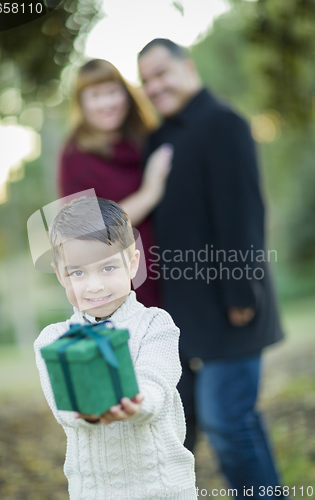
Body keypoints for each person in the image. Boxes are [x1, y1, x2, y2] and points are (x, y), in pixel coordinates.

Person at [138, 39, 285, 499]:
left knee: (225, 422)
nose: (154, 86)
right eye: (145, 80)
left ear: (188, 66)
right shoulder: (161, 140)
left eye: (161, 73)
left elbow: (243, 214)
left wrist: (241, 294)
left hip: (233, 303)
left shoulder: (224, 123)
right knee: (235, 420)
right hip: (189, 312)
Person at [34, 196, 196, 500]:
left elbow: (155, 384)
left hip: (162, 486)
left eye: (108, 268)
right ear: (60, 275)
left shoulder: (155, 324)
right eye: (78, 273)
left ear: (132, 263)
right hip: (95, 491)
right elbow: (64, 408)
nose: (94, 285)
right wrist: (88, 409)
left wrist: (136, 402)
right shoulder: (52, 340)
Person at [58, 58, 173, 308]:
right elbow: (87, 232)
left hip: (173, 274)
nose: (107, 103)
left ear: (126, 94)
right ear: (82, 103)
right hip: (123, 284)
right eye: (96, 95)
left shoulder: (146, 139)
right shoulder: (75, 156)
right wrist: (149, 193)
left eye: (112, 92)